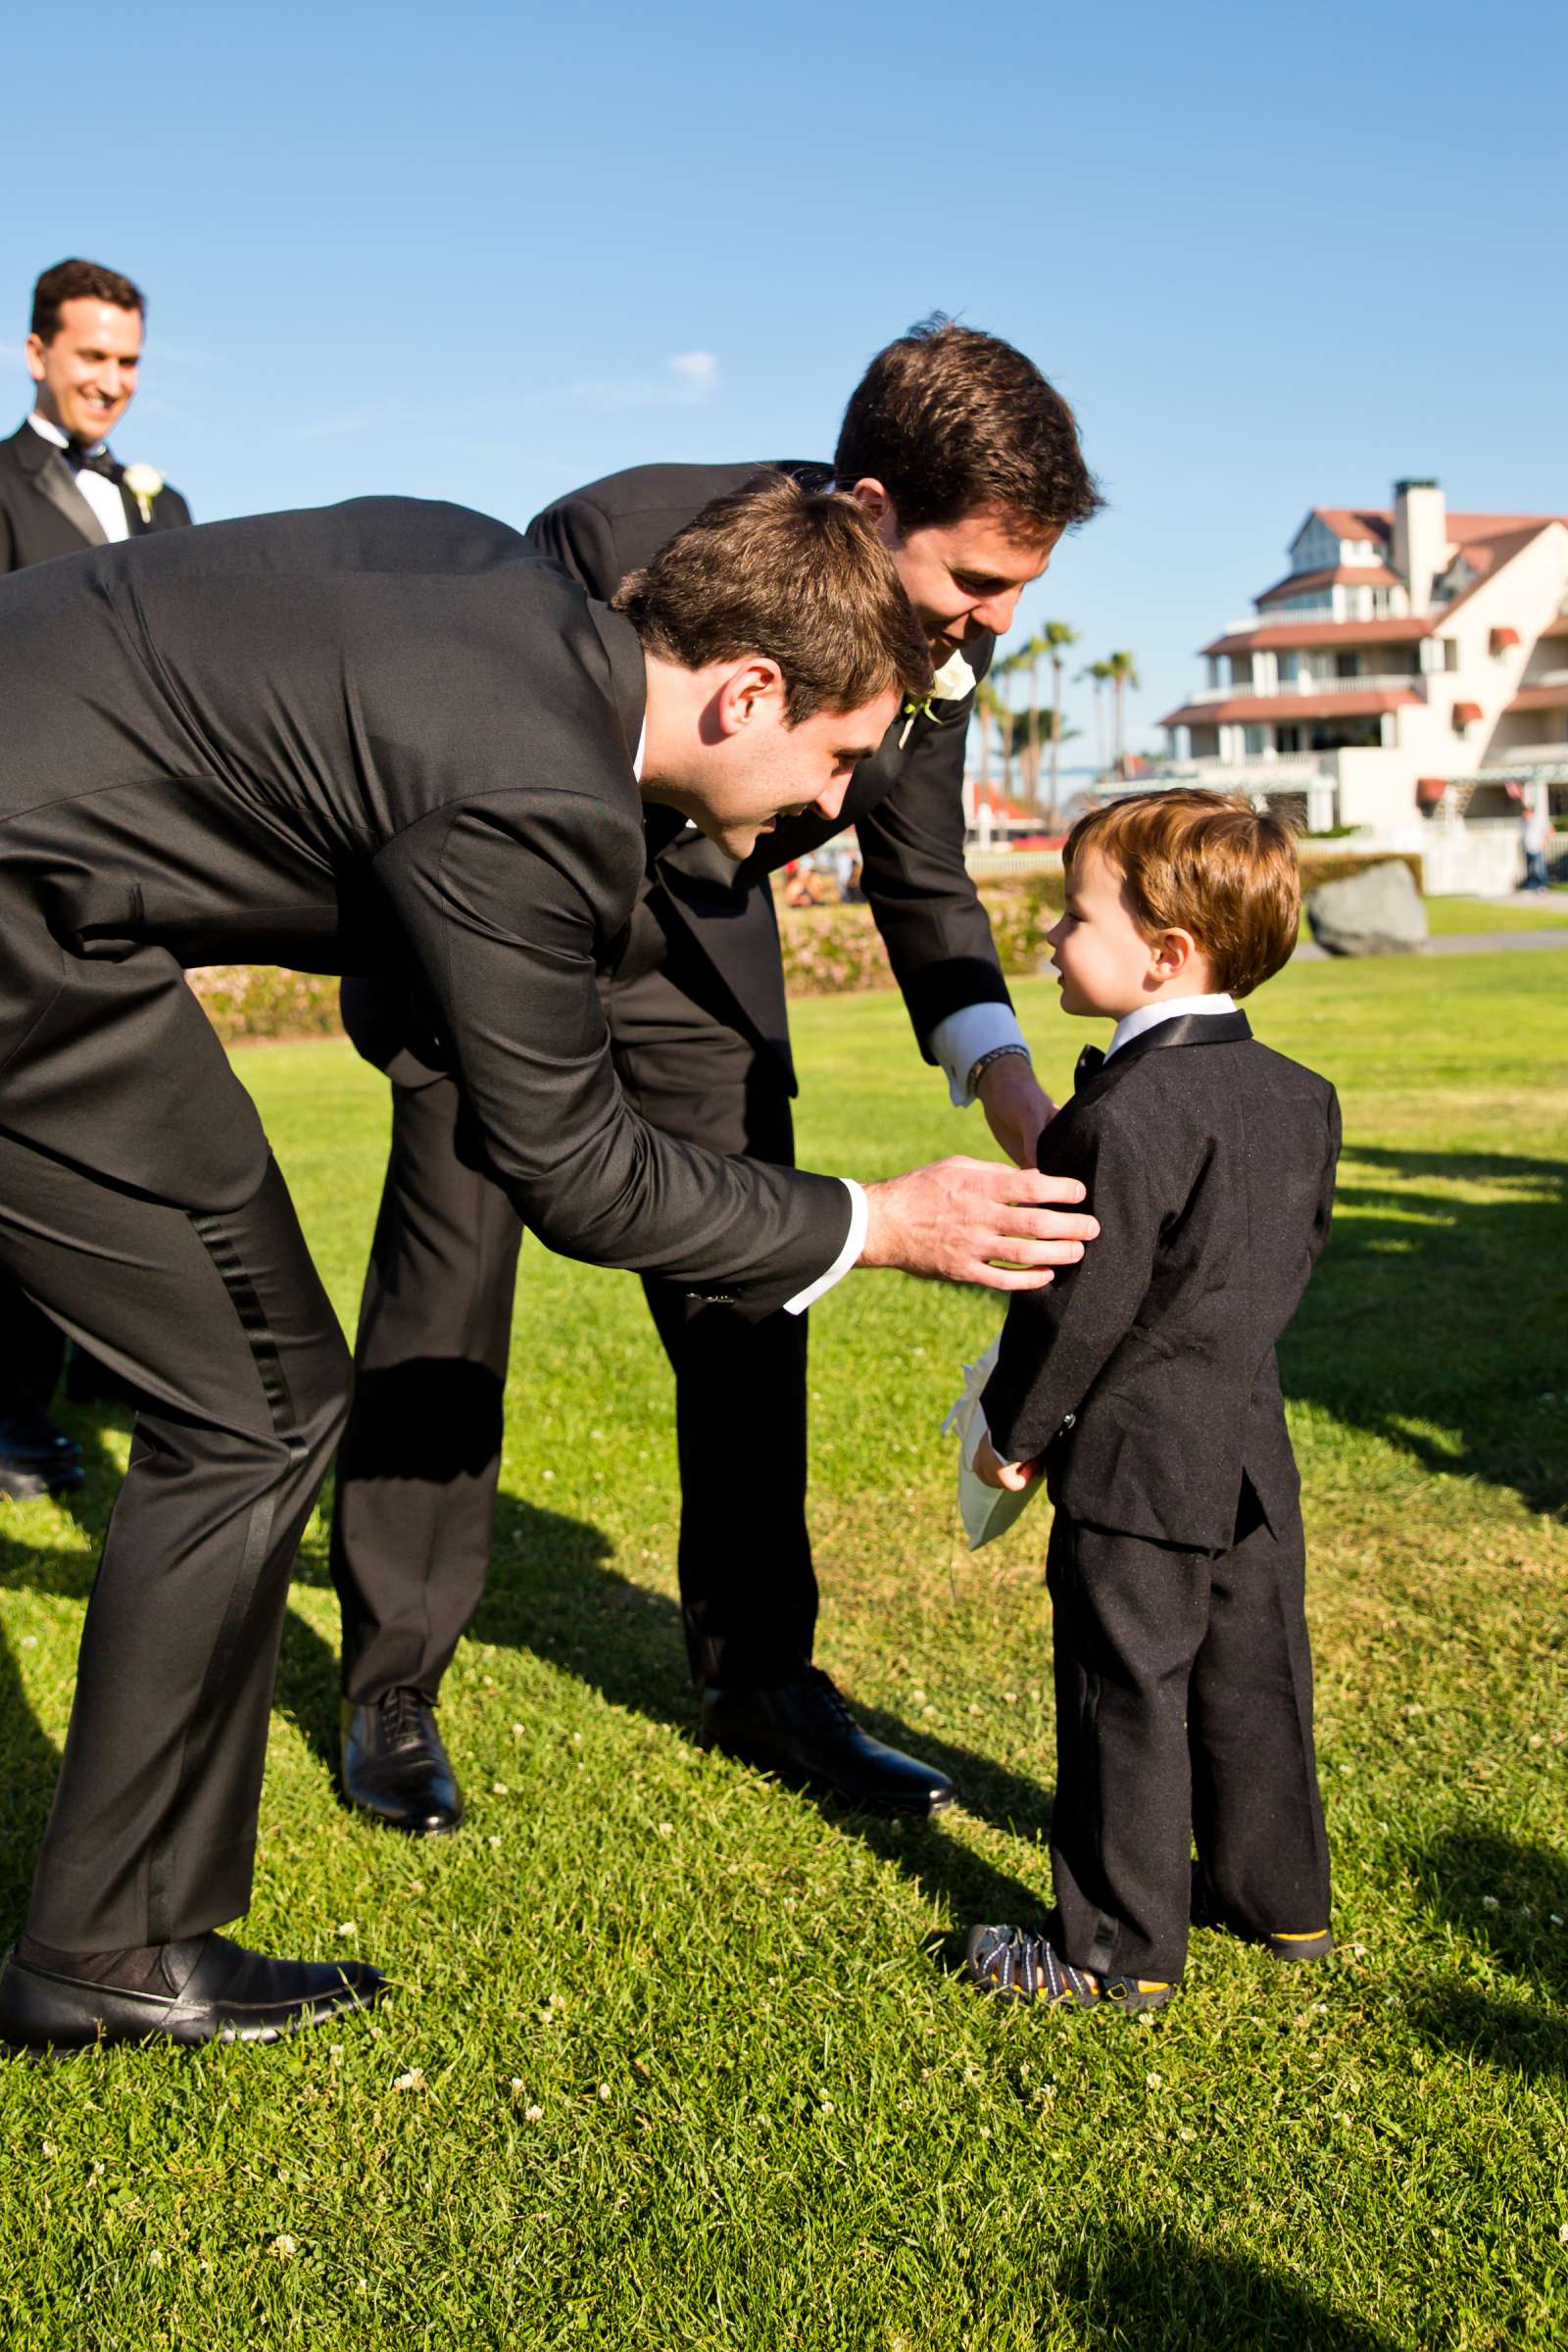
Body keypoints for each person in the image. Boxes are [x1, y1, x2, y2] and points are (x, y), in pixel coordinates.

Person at [0, 473, 1088, 2051]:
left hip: (61, 914)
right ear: (749, 689)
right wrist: (877, 1219)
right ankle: (101, 1949)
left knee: (273, 1398)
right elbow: (573, 1167)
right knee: (250, 1410)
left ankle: (116, 1932)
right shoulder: (535, 793)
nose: (831, 808)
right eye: (842, 757)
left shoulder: (481, 573)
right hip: (26, 920)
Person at [332, 319, 1103, 1838]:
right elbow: (471, 768)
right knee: (448, 1284)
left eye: (1021, 590)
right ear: (873, 512)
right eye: (976, 584)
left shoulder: (959, 630)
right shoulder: (610, 537)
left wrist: (1004, 1073)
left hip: (708, 958)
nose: (996, 622)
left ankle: (764, 1674)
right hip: (504, 932)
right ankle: (391, 1683)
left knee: (761, 1287)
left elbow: (922, 866)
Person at [960, 790, 1340, 2015]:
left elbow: (1076, 1308)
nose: (1053, 943)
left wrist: (1013, 1435)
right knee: (1254, 1670)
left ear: (1166, 954)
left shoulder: (1119, 1116)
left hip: (1131, 1463)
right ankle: (1279, 1899)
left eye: (1073, 918)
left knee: (1125, 1689)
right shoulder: (1301, 1096)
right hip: (1244, 1451)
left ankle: (1112, 1950)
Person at [0, 258, 192, 1503]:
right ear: (34, 354)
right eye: (90, 358)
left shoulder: (167, 511)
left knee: (143, 1129)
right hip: (23, 857)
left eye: (127, 362)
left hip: (148, 872)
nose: (110, 385)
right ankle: (12, 1414)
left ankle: (112, 1368)